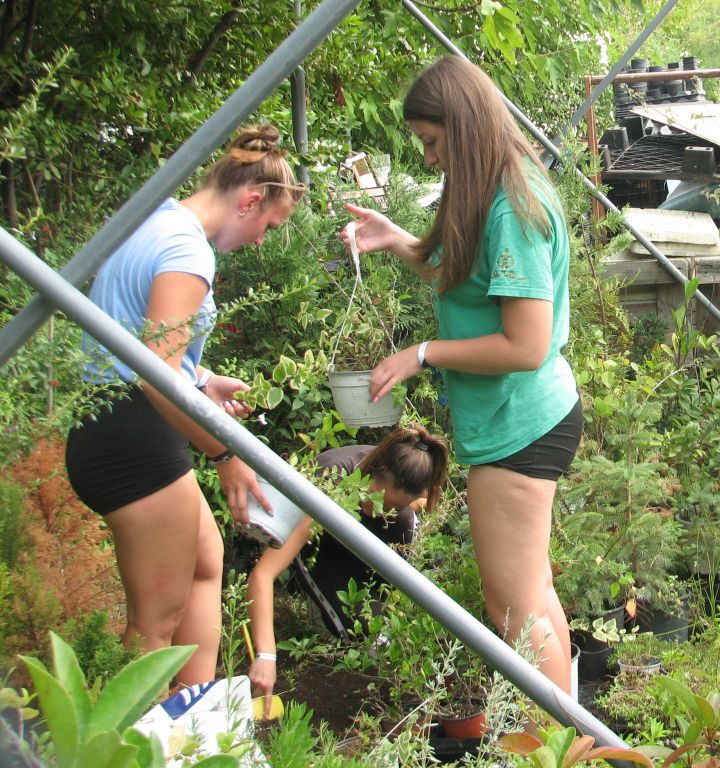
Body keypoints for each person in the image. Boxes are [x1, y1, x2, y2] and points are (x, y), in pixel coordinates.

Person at [342, 56, 583, 694]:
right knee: (533, 597)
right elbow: (466, 283)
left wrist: (423, 353)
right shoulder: (493, 187)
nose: (426, 157)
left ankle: (556, 751)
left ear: (464, 126)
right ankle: (574, 747)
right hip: (521, 420)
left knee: (516, 613)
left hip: (522, 425)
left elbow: (525, 345)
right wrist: (398, 240)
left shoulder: (511, 207)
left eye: (431, 141)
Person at [64, 125, 306, 687]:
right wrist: (225, 452)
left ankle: (193, 719)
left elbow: (138, 339)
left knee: (205, 561)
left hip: (114, 422)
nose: (261, 240)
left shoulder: (159, 216)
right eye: (267, 226)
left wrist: (201, 380)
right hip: (130, 436)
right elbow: (153, 376)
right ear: (250, 200)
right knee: (154, 627)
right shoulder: (189, 251)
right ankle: (124, 742)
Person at [246, 424, 449, 712]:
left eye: (391, 508)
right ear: (373, 472)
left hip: (362, 529)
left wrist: (395, 512)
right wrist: (266, 656)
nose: (382, 512)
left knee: (402, 546)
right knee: (355, 632)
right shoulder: (332, 486)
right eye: (378, 502)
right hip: (320, 538)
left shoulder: (408, 473)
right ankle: (324, 608)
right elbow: (263, 575)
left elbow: (419, 502)